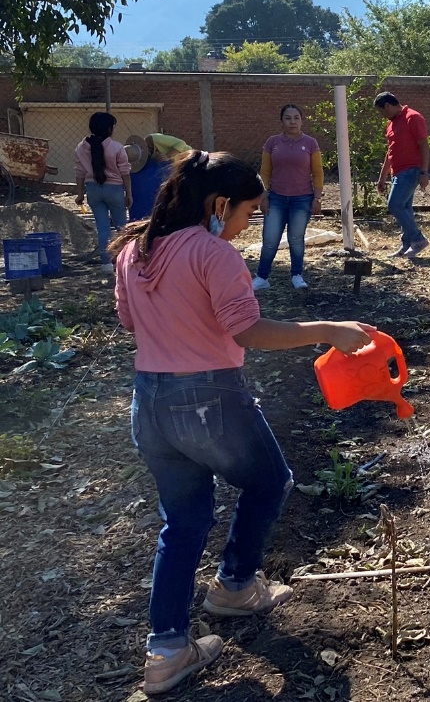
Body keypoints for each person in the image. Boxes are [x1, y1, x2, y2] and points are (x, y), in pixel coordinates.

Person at [111, 151, 373, 695]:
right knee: (269, 479)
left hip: (150, 401)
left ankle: (165, 650)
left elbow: (129, 321)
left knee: (181, 524)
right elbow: (247, 331)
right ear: (219, 204)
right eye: (249, 211)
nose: (249, 222)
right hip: (209, 397)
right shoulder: (214, 254)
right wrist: (328, 329)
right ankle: (234, 585)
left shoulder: (135, 250)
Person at [254, 104, 324, 290]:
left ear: (301, 120)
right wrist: (264, 196)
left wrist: (317, 197)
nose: (292, 122)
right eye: (288, 118)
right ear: (281, 121)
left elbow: (317, 172)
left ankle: (297, 275)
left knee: (296, 238)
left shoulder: (310, 143)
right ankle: (262, 277)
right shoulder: (272, 142)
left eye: (296, 118)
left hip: (302, 199)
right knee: (270, 239)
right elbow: (265, 172)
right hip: (276, 198)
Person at [73, 112, 132, 273]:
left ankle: (106, 263)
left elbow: (79, 173)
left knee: (102, 227)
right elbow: (125, 172)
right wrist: (129, 193)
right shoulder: (117, 147)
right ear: (109, 128)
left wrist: (80, 194)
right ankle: (124, 259)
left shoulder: (81, 147)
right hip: (115, 190)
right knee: (122, 226)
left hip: (93, 189)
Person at [374, 91, 430, 257]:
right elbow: (390, 152)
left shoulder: (413, 117)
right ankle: (407, 243)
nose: (382, 115)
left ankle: (418, 239)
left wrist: (424, 172)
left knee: (395, 205)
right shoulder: (391, 124)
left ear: (388, 106)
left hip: (411, 170)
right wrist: (382, 177)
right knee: (405, 208)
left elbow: (424, 145)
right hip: (397, 172)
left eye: (382, 111)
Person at [126, 134, 195, 222]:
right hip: (173, 165)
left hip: (187, 159)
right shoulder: (148, 162)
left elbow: (181, 143)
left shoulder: (155, 139)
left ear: (148, 148)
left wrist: (168, 155)